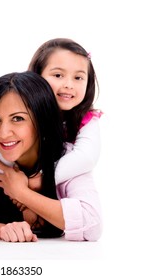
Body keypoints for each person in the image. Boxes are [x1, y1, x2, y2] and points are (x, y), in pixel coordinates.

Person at [0, 71, 102, 242]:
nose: (3, 133)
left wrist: (22, 193)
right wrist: (2, 230)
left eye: (17, 118)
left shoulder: (69, 161)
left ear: (41, 120)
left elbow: (92, 225)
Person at [28, 38, 103, 184]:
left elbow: (86, 157)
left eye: (78, 77)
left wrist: (40, 179)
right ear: (37, 76)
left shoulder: (86, 121)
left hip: (60, 192)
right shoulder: (22, 110)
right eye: (58, 75)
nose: (69, 85)